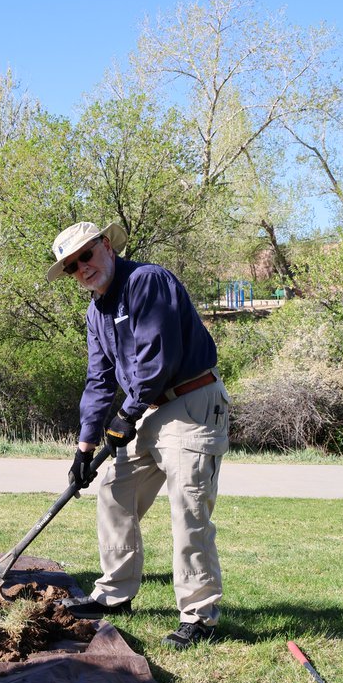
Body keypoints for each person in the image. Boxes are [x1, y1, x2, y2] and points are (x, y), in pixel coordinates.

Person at [47, 221, 230, 650]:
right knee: (113, 489)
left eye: (86, 256)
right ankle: (114, 594)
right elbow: (99, 380)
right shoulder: (96, 312)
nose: (82, 269)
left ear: (106, 247)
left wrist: (124, 418)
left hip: (191, 403)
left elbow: (156, 357)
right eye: (72, 266)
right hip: (150, 410)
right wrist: (85, 444)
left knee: (188, 509)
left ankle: (199, 615)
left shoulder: (147, 282)